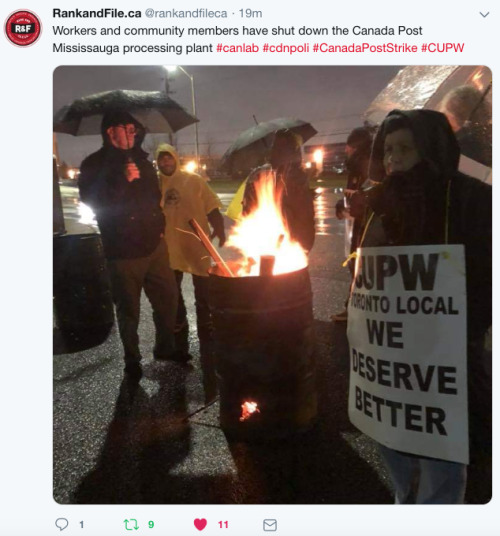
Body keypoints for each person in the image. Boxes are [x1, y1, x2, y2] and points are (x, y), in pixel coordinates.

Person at [354, 109, 491, 503]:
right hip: (390, 360)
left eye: (404, 148)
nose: (392, 158)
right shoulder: (378, 202)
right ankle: (404, 500)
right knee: (394, 441)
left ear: (430, 149)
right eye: (387, 149)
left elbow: (485, 273)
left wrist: (462, 328)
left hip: (444, 357)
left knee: (440, 453)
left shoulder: (471, 198)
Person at [78, 111, 178, 381]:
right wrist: (122, 181)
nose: (133, 133)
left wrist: (159, 230)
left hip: (154, 247)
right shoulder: (93, 164)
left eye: (135, 129)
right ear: (111, 132)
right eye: (127, 129)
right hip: (122, 252)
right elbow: (91, 201)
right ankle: (132, 359)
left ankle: (165, 348)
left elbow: (153, 198)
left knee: (169, 301)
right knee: (129, 310)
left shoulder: (143, 162)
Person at [155, 143, 226, 403]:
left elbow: (210, 204)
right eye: (161, 161)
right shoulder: (156, 185)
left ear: (175, 159)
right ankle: (179, 330)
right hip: (169, 247)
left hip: (195, 244)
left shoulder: (193, 180)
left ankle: (206, 324)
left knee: (203, 287)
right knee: (172, 292)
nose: (165, 164)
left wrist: (219, 225)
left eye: (168, 159)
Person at [242, 129, 315, 252]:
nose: (272, 152)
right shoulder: (266, 177)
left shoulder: (292, 180)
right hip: (285, 244)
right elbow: (249, 213)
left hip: (289, 245)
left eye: (276, 148)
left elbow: (301, 221)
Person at [332, 126, 373, 322]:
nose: (346, 149)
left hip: (365, 225)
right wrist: (344, 204)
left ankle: (357, 310)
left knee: (360, 265)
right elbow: (353, 194)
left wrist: (354, 203)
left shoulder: (367, 165)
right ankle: (353, 307)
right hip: (357, 223)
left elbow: (368, 196)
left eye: (349, 145)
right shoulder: (356, 166)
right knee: (356, 265)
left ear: (356, 146)